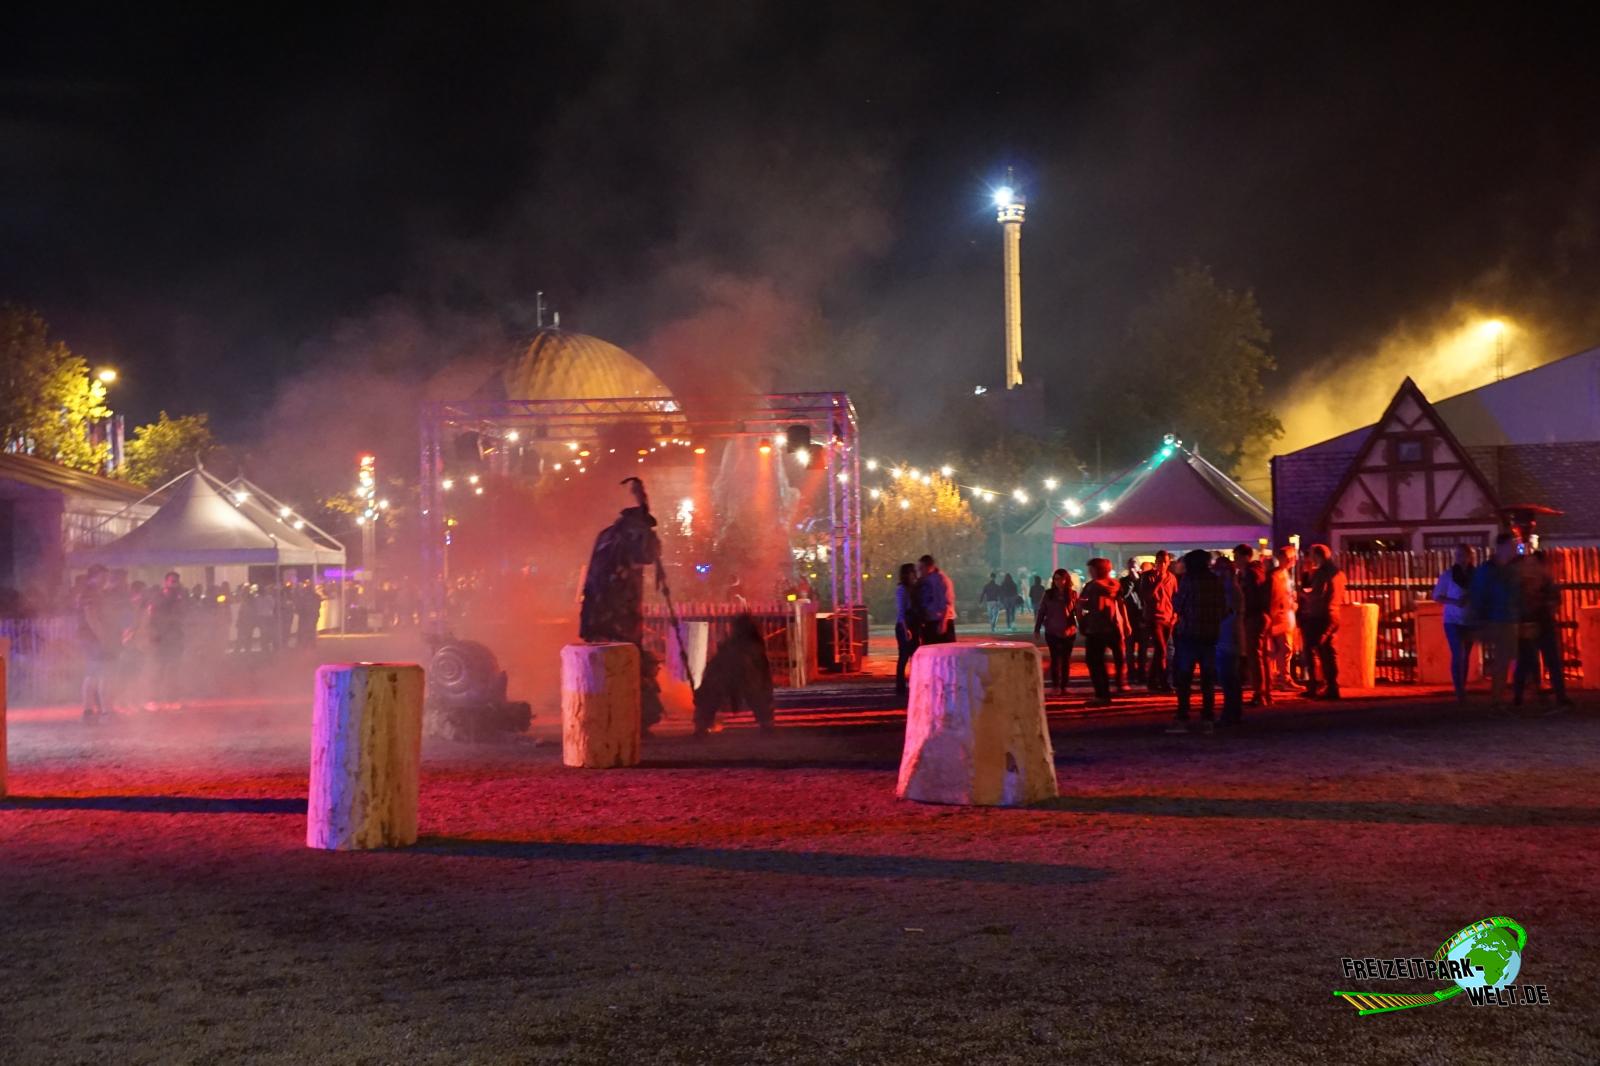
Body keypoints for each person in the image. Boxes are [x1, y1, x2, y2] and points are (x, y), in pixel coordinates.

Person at [580, 477, 666, 730]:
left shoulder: (608, 536)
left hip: (602, 612)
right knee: (626, 660)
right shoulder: (627, 538)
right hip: (618, 613)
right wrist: (651, 542)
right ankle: (633, 715)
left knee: (611, 662)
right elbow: (647, 554)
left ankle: (611, 713)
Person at [1168, 549, 1224, 733]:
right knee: (1207, 680)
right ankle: (1208, 719)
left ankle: (1182, 718)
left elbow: (1178, 605)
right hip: (1211, 634)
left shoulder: (1188, 580)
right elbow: (1223, 607)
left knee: (1184, 679)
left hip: (1189, 634)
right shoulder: (1215, 580)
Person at [693, 613, 776, 737]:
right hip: (732, 677)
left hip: (745, 677)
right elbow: (714, 670)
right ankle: (702, 724)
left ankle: (702, 723)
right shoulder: (734, 648)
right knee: (711, 693)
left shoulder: (751, 648)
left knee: (756, 693)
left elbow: (762, 673)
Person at [1469, 534, 1522, 710]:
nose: (1515, 549)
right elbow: (1478, 596)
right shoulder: (1489, 570)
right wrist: (1480, 619)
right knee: (1503, 660)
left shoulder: (1509, 569)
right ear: (1502, 547)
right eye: (1512, 546)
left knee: (1508, 659)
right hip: (1499, 619)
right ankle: (1498, 700)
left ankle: (1503, 697)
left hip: (1508, 618)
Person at [1512, 550, 1570, 712]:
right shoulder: (1527, 583)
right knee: (1528, 661)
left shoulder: (1542, 582)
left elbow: (1554, 600)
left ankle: (1556, 695)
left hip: (1539, 623)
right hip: (1533, 624)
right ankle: (1522, 696)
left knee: (1544, 661)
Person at [1076, 558, 1126, 707]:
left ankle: (1101, 694)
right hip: (1112, 626)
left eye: (1091, 569)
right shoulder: (1116, 585)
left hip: (1095, 628)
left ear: (1098, 570)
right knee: (1115, 658)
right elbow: (1121, 604)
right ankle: (1117, 685)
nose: (1089, 572)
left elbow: (1082, 605)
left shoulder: (1092, 586)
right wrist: (1125, 624)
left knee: (1094, 662)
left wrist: (1081, 621)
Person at [1298, 544, 1345, 700]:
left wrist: (1303, 595)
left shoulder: (1322, 573)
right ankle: (1332, 686)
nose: (1311, 558)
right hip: (1334, 614)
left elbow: (1317, 594)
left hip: (1319, 615)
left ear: (1318, 556)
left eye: (1312, 555)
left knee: (1311, 650)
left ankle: (1315, 685)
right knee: (1328, 651)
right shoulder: (1339, 573)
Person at [1431, 546, 1476, 702]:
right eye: (1457, 555)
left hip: (1470, 620)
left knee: (1465, 655)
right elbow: (1437, 596)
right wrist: (1455, 602)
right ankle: (1459, 689)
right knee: (1459, 653)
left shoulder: (1476, 576)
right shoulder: (1448, 575)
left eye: (1462, 555)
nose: (1459, 558)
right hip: (1452, 620)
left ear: (1469, 557)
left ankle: (1461, 686)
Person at [75, 566, 117, 720]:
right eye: (102, 577)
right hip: (94, 639)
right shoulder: (90, 593)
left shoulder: (92, 592)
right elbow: (91, 617)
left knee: (92, 673)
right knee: (105, 672)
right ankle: (106, 710)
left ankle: (88, 710)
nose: (105, 580)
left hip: (89, 639)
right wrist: (104, 638)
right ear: (93, 577)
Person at [1233, 544, 1272, 706]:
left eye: (1237, 557)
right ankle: (1265, 692)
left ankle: (1260, 694)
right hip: (1260, 616)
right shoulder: (1255, 572)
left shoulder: (1250, 574)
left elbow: (1251, 597)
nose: (1235, 560)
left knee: (1255, 656)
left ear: (1245, 557)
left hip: (1254, 616)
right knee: (1261, 656)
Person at [145, 571, 187, 709]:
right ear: (166, 582)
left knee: (173, 670)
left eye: (176, 582)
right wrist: (153, 636)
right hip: (160, 639)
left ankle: (172, 699)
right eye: (172, 581)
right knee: (158, 670)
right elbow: (150, 618)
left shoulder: (179, 598)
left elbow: (183, 616)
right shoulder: (157, 598)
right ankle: (152, 700)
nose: (175, 584)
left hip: (175, 639)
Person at [1137, 551, 1177, 692]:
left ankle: (1152, 681)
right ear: (1156, 562)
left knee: (1161, 651)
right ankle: (1164, 682)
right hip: (1154, 617)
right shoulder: (1148, 576)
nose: (1163, 564)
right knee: (1162, 649)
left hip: (1168, 617)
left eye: (1165, 562)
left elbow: (1175, 597)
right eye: (1160, 561)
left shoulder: (1172, 577)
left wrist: (1175, 615)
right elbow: (1146, 596)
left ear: (1169, 562)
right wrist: (1158, 581)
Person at [1033, 568, 1079, 692]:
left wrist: (1083, 624)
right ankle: (1055, 685)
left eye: (1061, 579)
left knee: (1066, 660)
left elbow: (1076, 612)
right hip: (1052, 631)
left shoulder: (1072, 594)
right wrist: (1037, 628)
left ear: (1066, 579)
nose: (1058, 581)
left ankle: (1064, 686)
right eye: (1056, 579)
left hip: (1069, 632)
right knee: (1055, 659)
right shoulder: (1049, 594)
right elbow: (1042, 611)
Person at [1215, 555, 1247, 726]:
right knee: (1230, 678)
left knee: (1229, 678)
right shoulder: (1231, 587)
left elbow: (1228, 612)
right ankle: (1234, 712)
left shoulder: (1229, 589)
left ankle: (1231, 712)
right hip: (1229, 636)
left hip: (1229, 636)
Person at [1272, 544, 1301, 690]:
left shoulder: (1284, 574)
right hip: (1281, 617)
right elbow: (1276, 597)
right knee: (1285, 648)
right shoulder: (1277, 575)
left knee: (1285, 649)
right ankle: (1284, 678)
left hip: (1285, 615)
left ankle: (1281, 677)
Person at [894, 562, 922, 699]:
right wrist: (906, 629)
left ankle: (913, 683)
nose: (914, 574)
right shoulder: (902, 589)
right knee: (904, 656)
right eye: (912, 572)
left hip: (913, 624)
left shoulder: (912, 588)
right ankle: (900, 686)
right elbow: (901, 612)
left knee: (914, 656)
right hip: (904, 626)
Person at [917, 555, 957, 645]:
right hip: (930, 621)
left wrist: (943, 622)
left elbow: (947, 602)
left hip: (940, 620)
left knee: (943, 649)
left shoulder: (940, 580)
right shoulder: (926, 580)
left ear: (929, 567)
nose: (920, 571)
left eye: (921, 568)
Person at [1121, 559, 1145, 683]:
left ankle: (1141, 674)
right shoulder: (1123, 581)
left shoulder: (1144, 580)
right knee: (1129, 650)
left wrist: (1138, 581)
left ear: (1138, 568)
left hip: (1142, 618)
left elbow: (1146, 596)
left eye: (1134, 567)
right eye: (1130, 567)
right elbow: (1123, 596)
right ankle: (1131, 673)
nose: (1131, 569)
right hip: (1129, 618)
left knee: (1142, 649)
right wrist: (1130, 584)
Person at [296, 578, 323, 647]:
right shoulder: (316, 596)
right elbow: (319, 605)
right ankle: (312, 643)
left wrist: (300, 612)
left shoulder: (304, 597)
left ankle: (306, 643)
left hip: (307, 615)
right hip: (314, 615)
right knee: (312, 629)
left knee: (306, 629)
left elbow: (301, 606)